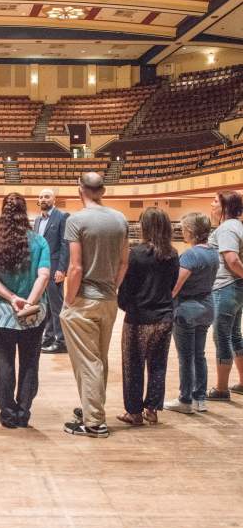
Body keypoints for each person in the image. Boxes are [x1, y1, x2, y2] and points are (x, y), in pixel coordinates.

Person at [60, 173, 129, 438]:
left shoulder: (75, 220)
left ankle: (94, 423)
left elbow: (75, 266)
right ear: (103, 191)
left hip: (83, 300)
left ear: (80, 190)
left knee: (87, 362)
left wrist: (69, 300)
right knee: (99, 359)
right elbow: (124, 263)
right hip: (108, 300)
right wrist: (113, 287)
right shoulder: (120, 218)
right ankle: (94, 409)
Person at [0, 192, 50, 429]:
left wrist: (11, 298)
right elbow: (44, 275)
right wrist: (29, 302)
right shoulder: (39, 242)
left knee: (4, 364)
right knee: (30, 363)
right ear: (25, 213)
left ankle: (8, 413)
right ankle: (24, 411)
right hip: (33, 316)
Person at [117, 208, 179, 425]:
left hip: (139, 317)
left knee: (133, 365)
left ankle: (134, 412)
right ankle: (151, 410)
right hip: (164, 317)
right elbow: (172, 285)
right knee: (158, 365)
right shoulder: (172, 254)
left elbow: (126, 288)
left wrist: (124, 305)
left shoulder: (136, 254)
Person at [165, 212, 219, 414]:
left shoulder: (190, 255)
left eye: (183, 228)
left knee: (185, 357)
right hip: (207, 307)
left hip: (187, 309)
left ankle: (185, 399)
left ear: (191, 231)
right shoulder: (213, 252)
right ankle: (200, 398)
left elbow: (176, 286)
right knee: (199, 355)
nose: (182, 231)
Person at [207, 191, 243, 400]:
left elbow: (232, 260)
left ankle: (221, 389)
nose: (212, 205)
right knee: (235, 335)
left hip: (226, 287)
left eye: (215, 201)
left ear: (226, 206)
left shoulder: (227, 227)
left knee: (221, 336)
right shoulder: (237, 226)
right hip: (236, 288)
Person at [35, 188, 69, 354]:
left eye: (47, 196)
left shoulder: (62, 217)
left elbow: (65, 244)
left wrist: (62, 269)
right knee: (45, 306)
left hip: (55, 269)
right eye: (40, 197)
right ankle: (48, 337)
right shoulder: (37, 220)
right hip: (40, 270)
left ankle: (61, 341)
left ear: (54, 200)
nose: (43, 199)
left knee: (56, 307)